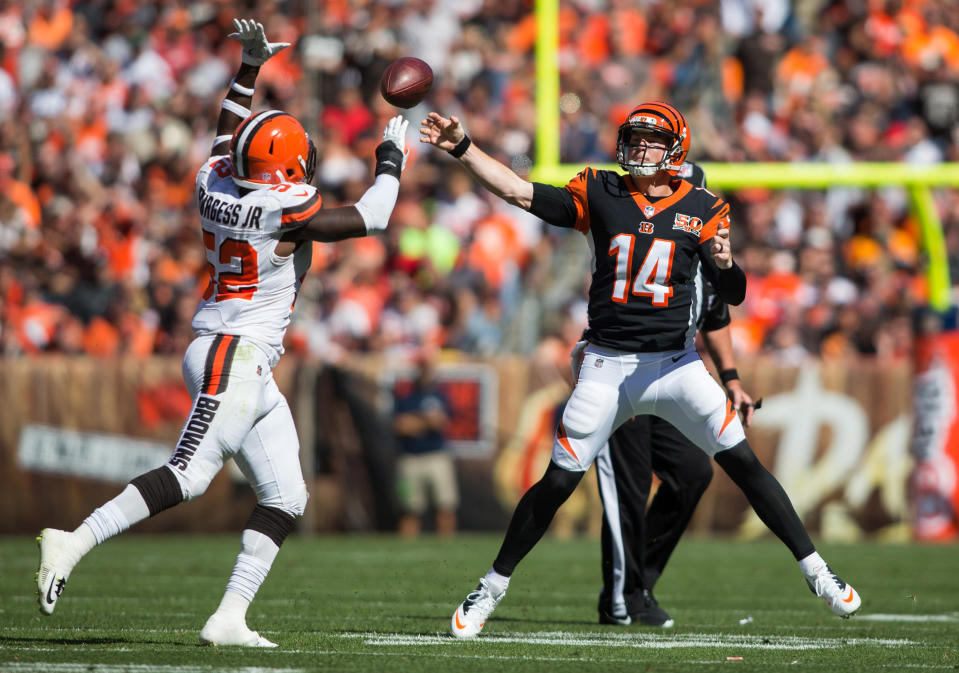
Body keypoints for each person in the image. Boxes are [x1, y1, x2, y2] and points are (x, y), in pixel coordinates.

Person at [419, 101, 861, 639]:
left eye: (652, 141)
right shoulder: (601, 191)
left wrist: (723, 262)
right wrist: (465, 149)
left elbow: (734, 295)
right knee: (559, 481)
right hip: (607, 363)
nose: (640, 149)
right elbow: (519, 192)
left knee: (742, 461)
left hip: (675, 365)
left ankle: (818, 572)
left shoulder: (702, 206)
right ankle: (489, 589)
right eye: (635, 139)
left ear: (676, 149)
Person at [35, 18, 409, 647]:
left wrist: (249, 69)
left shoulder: (214, 181)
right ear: (284, 167)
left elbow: (223, 134)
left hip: (240, 354)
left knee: (287, 495)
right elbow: (373, 217)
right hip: (232, 353)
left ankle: (229, 616)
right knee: (189, 475)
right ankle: (73, 540)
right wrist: (393, 157)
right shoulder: (281, 206)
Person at [592, 162, 758, 628]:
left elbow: (716, 317)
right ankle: (623, 597)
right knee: (629, 486)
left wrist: (731, 379)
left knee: (690, 473)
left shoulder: (703, 248)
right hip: (622, 373)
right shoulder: (636, 233)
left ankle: (639, 581)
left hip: (670, 378)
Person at [392, 351, 459, 537]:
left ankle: (446, 552)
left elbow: (442, 422)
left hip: (436, 456)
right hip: (410, 458)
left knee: (445, 506)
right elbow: (400, 426)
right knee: (409, 509)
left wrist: (415, 422)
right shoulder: (405, 394)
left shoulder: (440, 394)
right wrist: (426, 421)